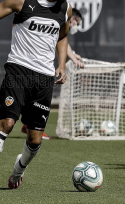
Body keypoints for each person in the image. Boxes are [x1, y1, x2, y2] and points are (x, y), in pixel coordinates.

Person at [0, 0, 77, 193]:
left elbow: (62, 37)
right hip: (18, 71)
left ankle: (18, 170)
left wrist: (61, 64)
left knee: (35, 140)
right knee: (7, 123)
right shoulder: (23, 1)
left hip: (44, 78)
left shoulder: (66, 9)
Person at [20, 8, 83, 139]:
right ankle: (34, 128)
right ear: (72, 19)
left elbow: (63, 41)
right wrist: (72, 58)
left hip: (39, 64)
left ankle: (28, 125)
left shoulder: (60, 25)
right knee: (40, 98)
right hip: (36, 64)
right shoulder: (58, 20)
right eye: (78, 22)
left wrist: (72, 56)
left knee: (34, 96)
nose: (77, 26)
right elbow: (61, 41)